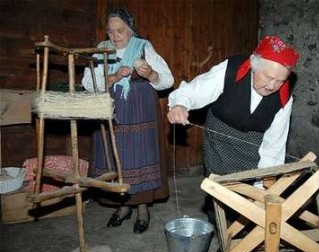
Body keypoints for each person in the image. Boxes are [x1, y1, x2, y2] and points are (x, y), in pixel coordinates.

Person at [167, 36, 299, 218]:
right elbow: (194, 90)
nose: (272, 86)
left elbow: (273, 147)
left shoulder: (284, 99)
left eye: (280, 80)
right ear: (254, 65)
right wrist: (179, 104)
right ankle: (219, 227)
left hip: (253, 148)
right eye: (268, 77)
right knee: (218, 192)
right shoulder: (230, 70)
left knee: (247, 199)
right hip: (220, 139)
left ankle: (240, 233)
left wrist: (262, 187)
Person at [82, 8, 174, 234]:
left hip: (141, 111)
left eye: (120, 31)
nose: (115, 36)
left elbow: (167, 81)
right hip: (111, 110)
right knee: (117, 159)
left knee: (140, 157)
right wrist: (114, 77)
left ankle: (143, 209)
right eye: (110, 31)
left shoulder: (144, 46)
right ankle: (123, 207)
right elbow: (88, 83)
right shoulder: (101, 50)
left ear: (131, 30)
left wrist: (150, 73)